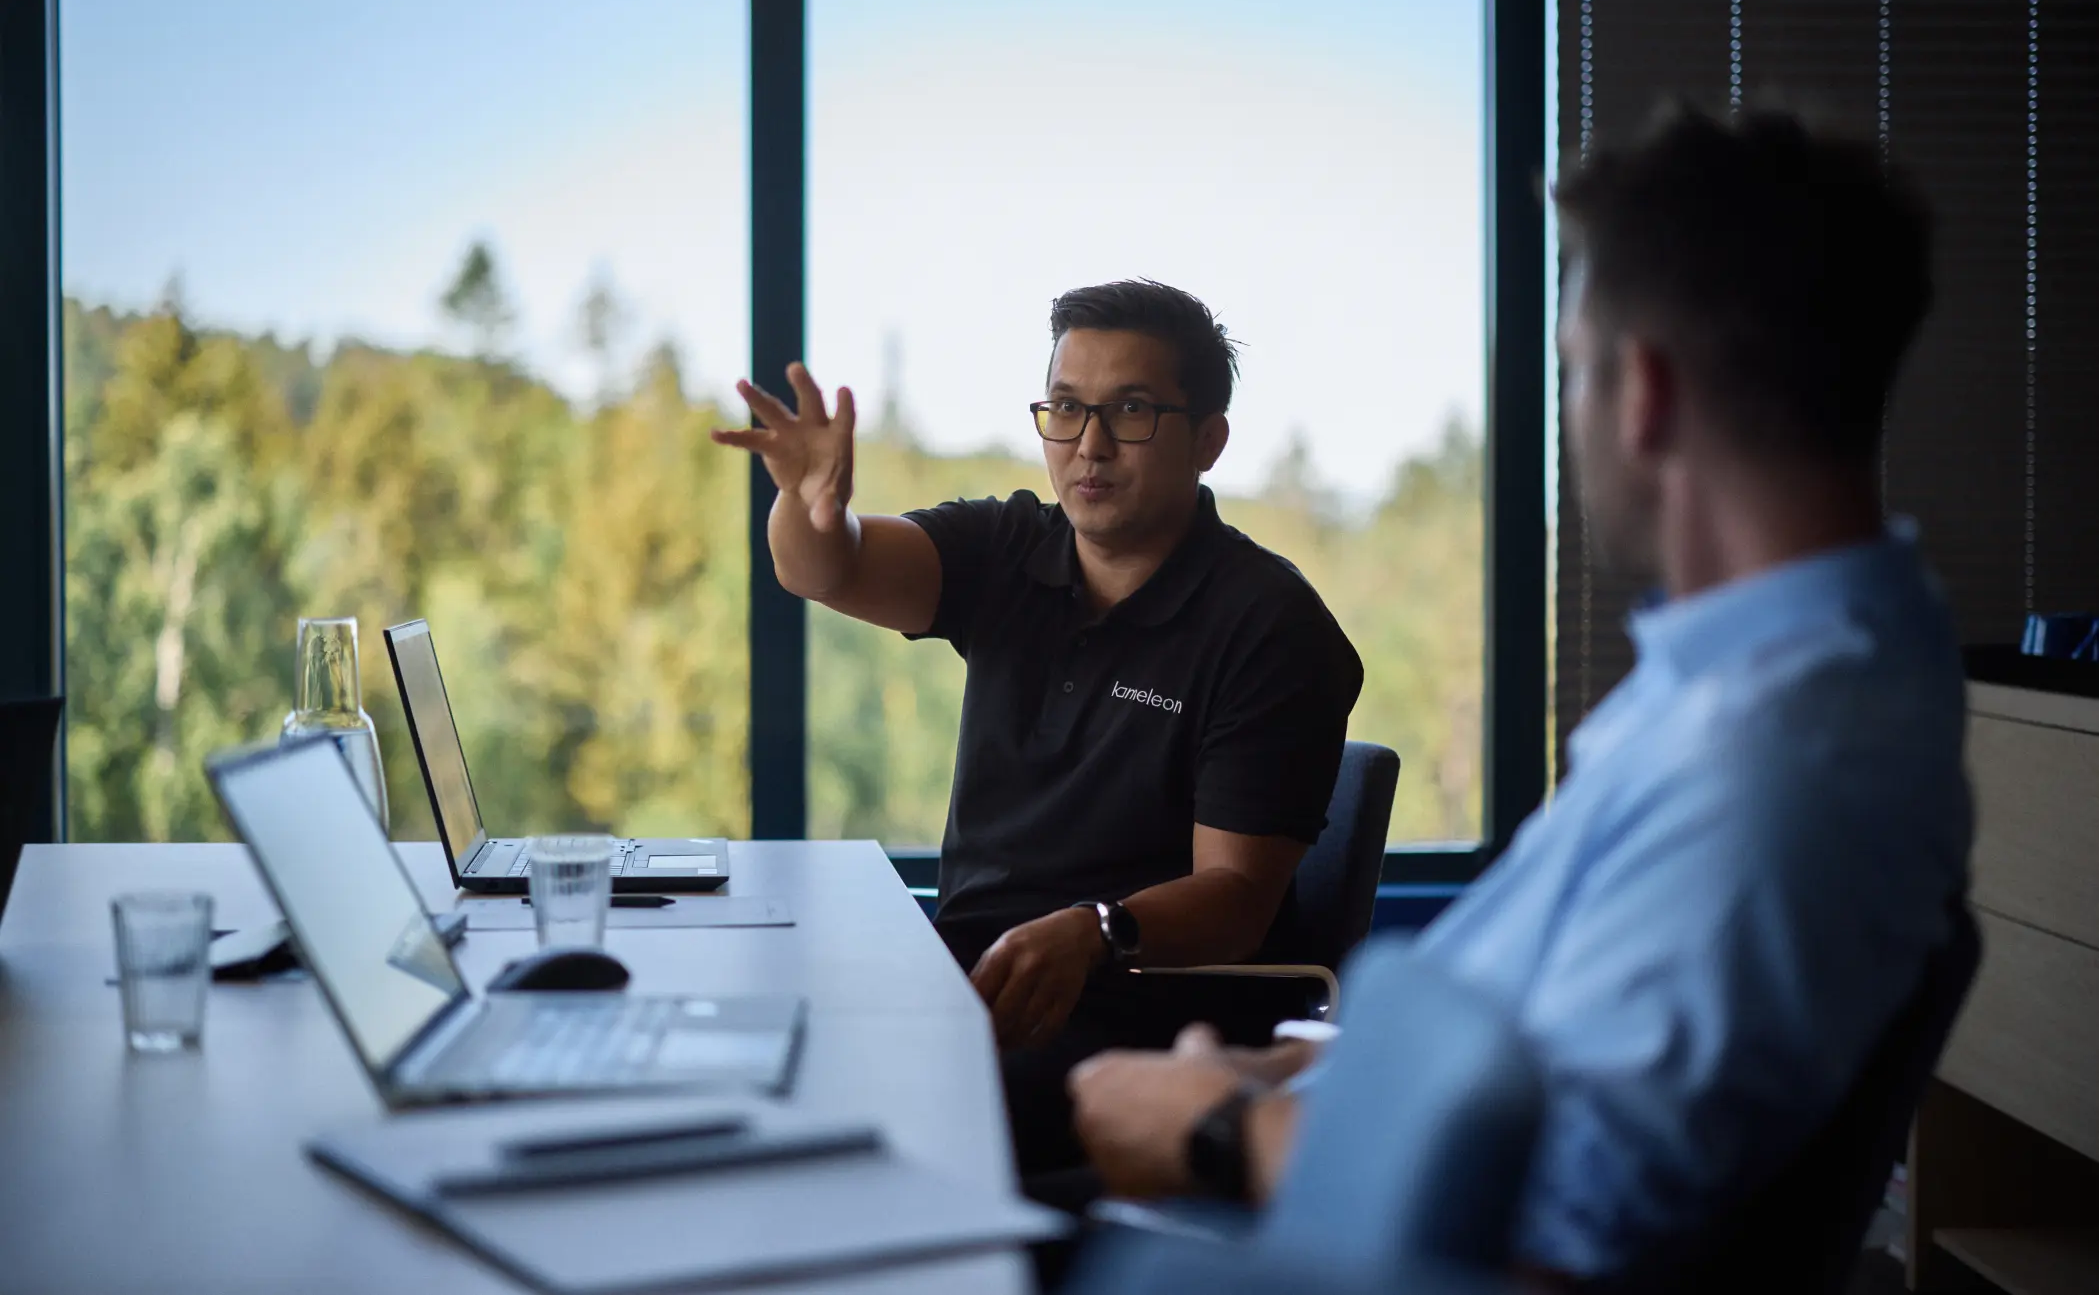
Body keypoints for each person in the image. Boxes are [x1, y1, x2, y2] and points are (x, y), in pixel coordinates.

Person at [1066, 103, 1972, 1285]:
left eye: (1570, 372)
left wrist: (1211, 1127)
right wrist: (1284, 1073)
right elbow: (1532, 1038)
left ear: (1638, 393)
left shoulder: (1777, 764)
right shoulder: (1745, 686)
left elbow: (1554, 1224)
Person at [711, 279, 1363, 1178]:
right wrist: (810, 504)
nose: (1088, 445)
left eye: (1131, 411)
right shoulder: (1007, 549)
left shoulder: (1270, 627)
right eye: (1065, 407)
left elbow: (1236, 901)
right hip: (967, 982)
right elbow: (829, 567)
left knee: (830, 1104)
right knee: (748, 1037)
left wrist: (1095, 931)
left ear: (1208, 439)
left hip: (1134, 1017)